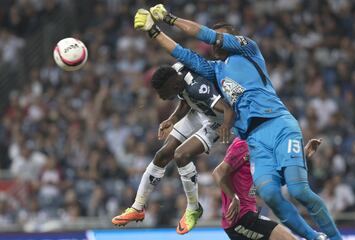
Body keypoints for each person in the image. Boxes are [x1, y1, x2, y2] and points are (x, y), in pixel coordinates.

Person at [133, 6, 342, 240]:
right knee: (271, 195)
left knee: (299, 190)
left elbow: (206, 35)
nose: (216, 43)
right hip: (253, 139)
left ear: (233, 36)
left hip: (278, 123)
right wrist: (153, 31)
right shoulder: (215, 70)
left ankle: (335, 238)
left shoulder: (248, 50)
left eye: (221, 37)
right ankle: (315, 238)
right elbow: (182, 54)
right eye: (214, 42)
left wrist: (170, 19)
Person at [112, 62, 235, 235]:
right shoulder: (177, 73)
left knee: (181, 155)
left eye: (163, 93)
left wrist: (227, 126)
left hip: (218, 119)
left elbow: (228, 109)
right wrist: (173, 118)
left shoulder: (198, 88)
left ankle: (193, 208)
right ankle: (137, 207)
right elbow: (185, 100)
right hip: (198, 111)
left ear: (174, 85)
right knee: (162, 154)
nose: (161, 97)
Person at [213, 137, 322, 240]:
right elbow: (218, 172)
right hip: (241, 218)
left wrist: (303, 155)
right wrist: (233, 197)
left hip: (247, 215)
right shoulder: (245, 143)